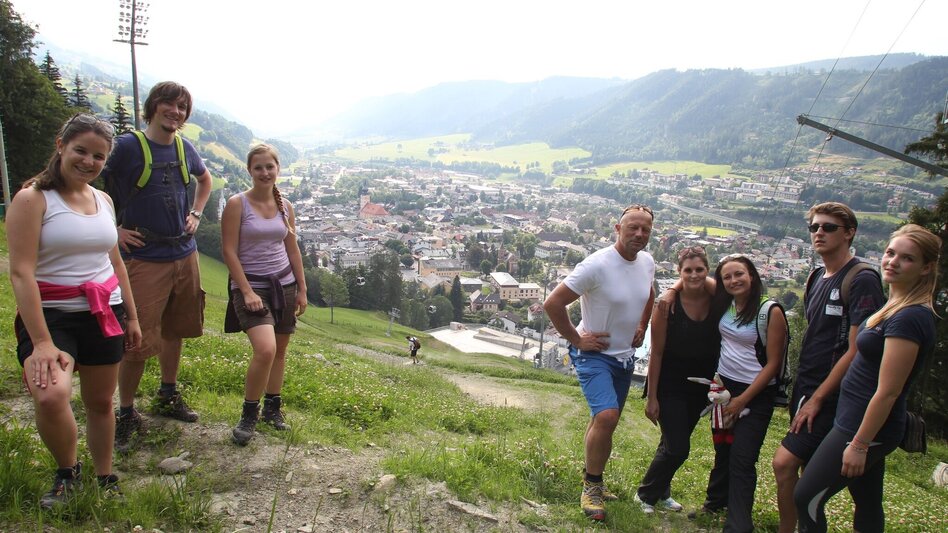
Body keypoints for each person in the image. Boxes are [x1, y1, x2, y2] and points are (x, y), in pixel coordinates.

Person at [7, 114, 142, 508]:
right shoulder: (33, 199)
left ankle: (104, 475)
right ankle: (67, 472)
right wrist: (42, 343)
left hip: (104, 309)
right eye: (81, 150)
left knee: (101, 402)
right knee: (50, 395)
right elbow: (21, 272)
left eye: (99, 157)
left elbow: (115, 263)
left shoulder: (103, 200)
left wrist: (131, 316)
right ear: (61, 145)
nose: (89, 161)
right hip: (52, 314)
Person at [794, 224, 939, 533]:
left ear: (926, 268)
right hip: (856, 418)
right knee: (868, 500)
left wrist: (859, 444)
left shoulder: (910, 317)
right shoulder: (895, 307)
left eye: (907, 259)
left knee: (806, 496)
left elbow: (888, 391)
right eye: (890, 253)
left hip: (863, 426)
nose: (893, 262)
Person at [102, 81, 213, 453]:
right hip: (144, 258)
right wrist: (112, 230)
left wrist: (196, 213)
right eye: (169, 104)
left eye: (182, 107)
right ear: (153, 106)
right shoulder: (128, 146)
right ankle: (126, 411)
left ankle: (167, 393)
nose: (176, 112)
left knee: (174, 328)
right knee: (136, 340)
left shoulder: (185, 147)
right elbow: (90, 183)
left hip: (184, 253)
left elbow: (205, 179)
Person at [771, 202, 885, 533]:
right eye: (814, 227)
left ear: (850, 233)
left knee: (785, 464)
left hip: (837, 397)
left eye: (829, 227)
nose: (819, 233)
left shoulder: (861, 279)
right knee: (862, 490)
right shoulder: (817, 276)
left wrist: (819, 398)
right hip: (808, 389)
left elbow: (856, 349)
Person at [544, 204, 656, 521]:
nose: (639, 234)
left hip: (624, 357)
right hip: (593, 354)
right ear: (617, 229)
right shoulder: (596, 265)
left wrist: (642, 325)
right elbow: (553, 303)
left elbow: (649, 293)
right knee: (606, 417)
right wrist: (576, 339)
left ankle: (593, 476)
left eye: (645, 229)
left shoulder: (647, 262)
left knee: (604, 421)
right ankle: (591, 486)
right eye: (632, 227)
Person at [222, 144, 307, 446]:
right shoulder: (237, 204)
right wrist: (245, 290)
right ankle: (249, 413)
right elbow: (229, 251)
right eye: (258, 167)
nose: (265, 172)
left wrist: (301, 288)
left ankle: (273, 408)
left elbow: (292, 248)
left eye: (269, 167)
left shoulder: (285, 206)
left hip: (284, 284)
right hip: (252, 285)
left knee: (280, 350)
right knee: (266, 350)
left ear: (277, 169)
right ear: (249, 170)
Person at [698, 254, 787, 533]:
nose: (734, 280)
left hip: (755, 392)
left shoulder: (769, 311)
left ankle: (738, 524)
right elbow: (693, 279)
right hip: (724, 387)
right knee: (723, 448)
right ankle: (715, 503)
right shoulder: (726, 303)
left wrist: (743, 400)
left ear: (752, 276)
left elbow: (773, 363)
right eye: (727, 276)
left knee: (743, 457)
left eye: (739, 274)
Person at [635, 246, 721, 514]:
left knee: (671, 440)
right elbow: (656, 352)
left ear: (707, 270)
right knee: (678, 447)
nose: (694, 275)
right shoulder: (666, 305)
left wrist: (675, 286)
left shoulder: (717, 297)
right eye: (687, 271)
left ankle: (662, 492)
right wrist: (652, 397)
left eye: (699, 269)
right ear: (678, 272)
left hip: (700, 386)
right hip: (669, 383)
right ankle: (645, 494)